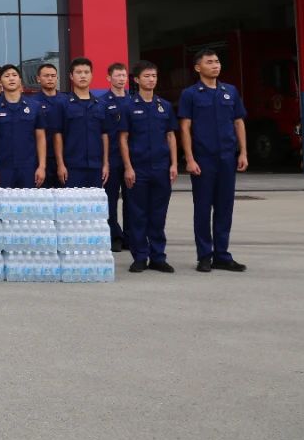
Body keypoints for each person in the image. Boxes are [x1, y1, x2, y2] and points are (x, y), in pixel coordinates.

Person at [179, 49, 249, 273]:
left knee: (224, 208)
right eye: (209, 62)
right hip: (203, 160)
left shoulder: (230, 91)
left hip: (227, 158)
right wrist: (189, 159)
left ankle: (222, 255)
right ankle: (204, 255)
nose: (215, 65)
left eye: (217, 61)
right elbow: (185, 128)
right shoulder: (190, 94)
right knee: (202, 208)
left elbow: (239, 123)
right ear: (198, 68)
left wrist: (243, 152)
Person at [119, 60, 179, 274]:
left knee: (158, 214)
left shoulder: (164, 106)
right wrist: (128, 167)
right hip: (138, 168)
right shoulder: (128, 106)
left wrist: (173, 164)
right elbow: (123, 139)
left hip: (161, 168)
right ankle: (140, 257)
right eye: (146, 76)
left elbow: (171, 136)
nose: (151, 79)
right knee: (137, 214)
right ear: (136, 80)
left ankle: (158, 257)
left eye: (154, 76)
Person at [53, 58, 121, 194]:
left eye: (86, 72)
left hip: (96, 167)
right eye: (78, 72)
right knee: (72, 210)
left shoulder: (101, 104)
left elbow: (104, 135)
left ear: (92, 75)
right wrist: (60, 164)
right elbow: (57, 135)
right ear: (71, 76)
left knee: (94, 211)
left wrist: (105, 163)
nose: (83, 75)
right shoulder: (62, 104)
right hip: (72, 167)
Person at [0, 64, 47, 188]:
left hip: (29, 167)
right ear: (0, 81)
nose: (11, 79)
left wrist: (42, 166)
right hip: (2, 167)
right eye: (6, 76)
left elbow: (40, 137)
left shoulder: (34, 106)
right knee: (4, 205)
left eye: (14, 75)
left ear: (20, 80)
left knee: (28, 205)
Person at [102, 62, 133, 251]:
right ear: (109, 78)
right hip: (112, 157)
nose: (121, 79)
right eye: (118, 76)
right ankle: (114, 235)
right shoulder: (103, 102)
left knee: (131, 200)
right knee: (110, 200)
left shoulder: (133, 101)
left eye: (124, 76)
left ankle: (130, 236)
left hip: (130, 159)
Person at [35, 63, 63, 188]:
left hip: (64, 158)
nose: (50, 78)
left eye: (53, 76)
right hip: (40, 158)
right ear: (38, 78)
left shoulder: (66, 100)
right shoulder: (32, 103)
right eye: (46, 76)